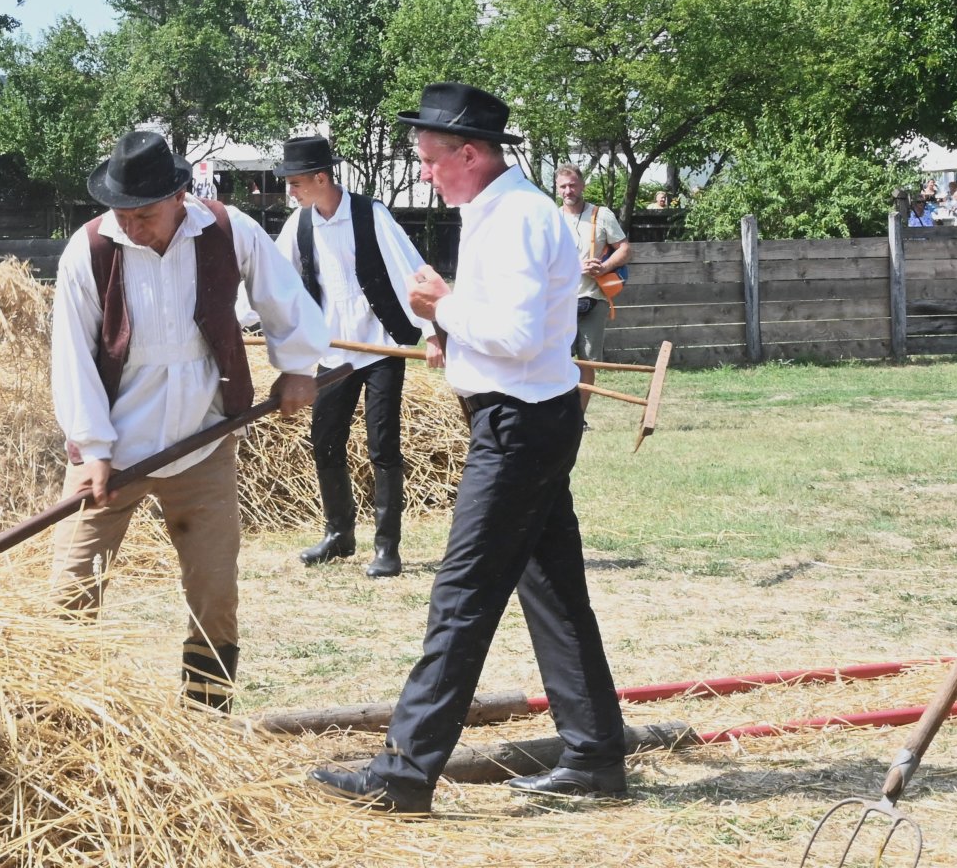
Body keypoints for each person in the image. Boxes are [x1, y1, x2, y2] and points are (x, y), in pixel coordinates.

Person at [311, 82, 626, 814]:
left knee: (461, 597)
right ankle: (594, 755)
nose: (424, 172)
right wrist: (450, 333)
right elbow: (512, 329)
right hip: (531, 418)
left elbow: (515, 336)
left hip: (518, 427)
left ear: (471, 154)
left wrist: (441, 308)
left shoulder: (514, 218)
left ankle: (403, 774)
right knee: (553, 590)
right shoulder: (501, 210)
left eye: (430, 159)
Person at [51, 131, 327, 712]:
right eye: (122, 214)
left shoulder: (228, 229)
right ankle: (59, 714)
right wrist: (93, 447)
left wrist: (298, 367)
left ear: (179, 197)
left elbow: (282, 297)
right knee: (70, 588)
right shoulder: (89, 250)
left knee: (214, 591)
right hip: (114, 454)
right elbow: (71, 355)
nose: (132, 227)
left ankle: (205, 717)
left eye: (144, 215)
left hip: (204, 441)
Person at [270, 135, 437, 577]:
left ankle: (387, 548)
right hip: (334, 352)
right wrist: (238, 318)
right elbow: (274, 278)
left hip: (380, 346)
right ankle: (339, 535)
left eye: (295, 182)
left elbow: (412, 269)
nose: (290, 191)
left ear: (321, 178)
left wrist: (434, 332)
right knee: (325, 440)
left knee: (383, 445)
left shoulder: (370, 214)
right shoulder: (300, 224)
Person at [555, 164, 631, 412]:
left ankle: (579, 417)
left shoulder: (601, 214)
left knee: (587, 363)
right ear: (557, 189)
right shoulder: (551, 218)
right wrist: (576, 268)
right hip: (560, 302)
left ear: (582, 186)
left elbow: (624, 249)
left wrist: (604, 267)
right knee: (558, 360)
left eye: (572, 185)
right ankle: (560, 415)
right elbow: (542, 262)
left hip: (594, 299)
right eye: (563, 186)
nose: (568, 190)